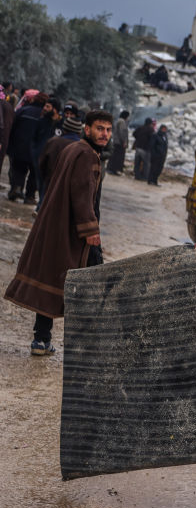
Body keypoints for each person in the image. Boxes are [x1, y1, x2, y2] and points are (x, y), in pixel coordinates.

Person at [4, 110, 112, 355]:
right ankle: (85, 345)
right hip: (75, 232)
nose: (104, 134)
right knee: (90, 284)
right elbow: (82, 196)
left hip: (58, 226)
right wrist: (91, 231)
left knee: (52, 280)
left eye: (107, 129)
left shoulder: (77, 150)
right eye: (99, 128)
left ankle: (41, 340)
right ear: (87, 129)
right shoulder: (86, 155)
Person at [6, 92, 50, 203]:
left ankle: (16, 188)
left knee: (19, 170)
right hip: (37, 150)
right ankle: (30, 196)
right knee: (34, 174)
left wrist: (10, 145)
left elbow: (13, 126)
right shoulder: (45, 116)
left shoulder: (24, 110)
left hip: (19, 147)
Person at [38, 113, 83, 205]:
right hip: (70, 188)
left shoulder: (53, 142)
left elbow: (42, 163)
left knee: (44, 207)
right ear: (79, 132)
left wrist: (45, 177)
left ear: (64, 129)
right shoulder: (83, 148)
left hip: (50, 181)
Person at [108, 110, 130, 175]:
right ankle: (114, 170)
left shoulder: (118, 120)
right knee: (118, 157)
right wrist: (124, 141)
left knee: (114, 156)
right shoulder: (122, 122)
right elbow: (122, 132)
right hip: (119, 142)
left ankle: (111, 169)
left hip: (116, 141)